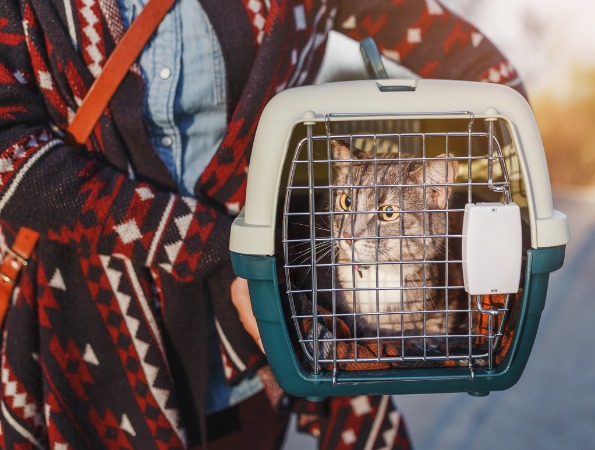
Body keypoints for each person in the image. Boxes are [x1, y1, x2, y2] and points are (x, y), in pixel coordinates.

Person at [0, 0, 525, 448]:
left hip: (253, 347)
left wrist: (474, 211)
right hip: (78, 335)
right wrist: (222, 249)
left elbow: (481, 70)